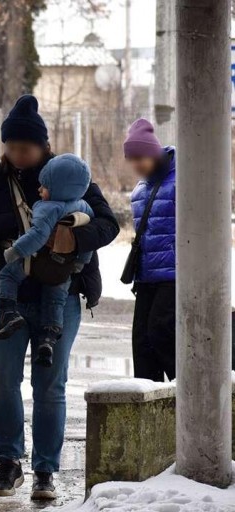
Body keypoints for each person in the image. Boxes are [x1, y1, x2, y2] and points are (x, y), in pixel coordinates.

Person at [0, 95, 119, 500]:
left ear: (43, 146)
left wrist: (72, 237)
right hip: (5, 295)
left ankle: (45, 470)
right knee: (2, 380)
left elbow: (109, 224)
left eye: (23, 148)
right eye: (9, 147)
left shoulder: (70, 176)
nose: (15, 154)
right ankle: (9, 463)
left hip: (58, 295)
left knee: (50, 385)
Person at [0, 154, 95, 368]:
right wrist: (80, 263)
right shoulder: (84, 206)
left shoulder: (46, 207)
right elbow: (89, 241)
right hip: (64, 269)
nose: (40, 190)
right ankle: (48, 340)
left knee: (7, 276)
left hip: (37, 263)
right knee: (55, 300)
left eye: (44, 186)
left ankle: (8, 313)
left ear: (57, 187)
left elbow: (37, 236)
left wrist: (14, 252)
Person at [123, 118, 176, 382]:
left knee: (160, 330)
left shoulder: (181, 179)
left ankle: (187, 389)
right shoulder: (140, 189)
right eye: (131, 159)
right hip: (147, 276)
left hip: (174, 274)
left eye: (141, 156)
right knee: (141, 341)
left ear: (154, 152)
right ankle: (149, 400)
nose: (136, 164)